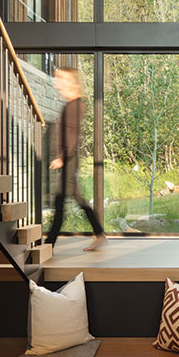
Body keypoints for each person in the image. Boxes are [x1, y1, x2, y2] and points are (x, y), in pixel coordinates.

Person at [45, 66, 106, 252]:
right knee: (77, 198)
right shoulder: (71, 104)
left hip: (69, 159)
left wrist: (62, 158)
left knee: (59, 201)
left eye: (59, 79)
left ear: (69, 82)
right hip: (69, 158)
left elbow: (72, 135)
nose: (56, 83)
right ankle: (100, 234)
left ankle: (48, 245)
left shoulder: (74, 106)